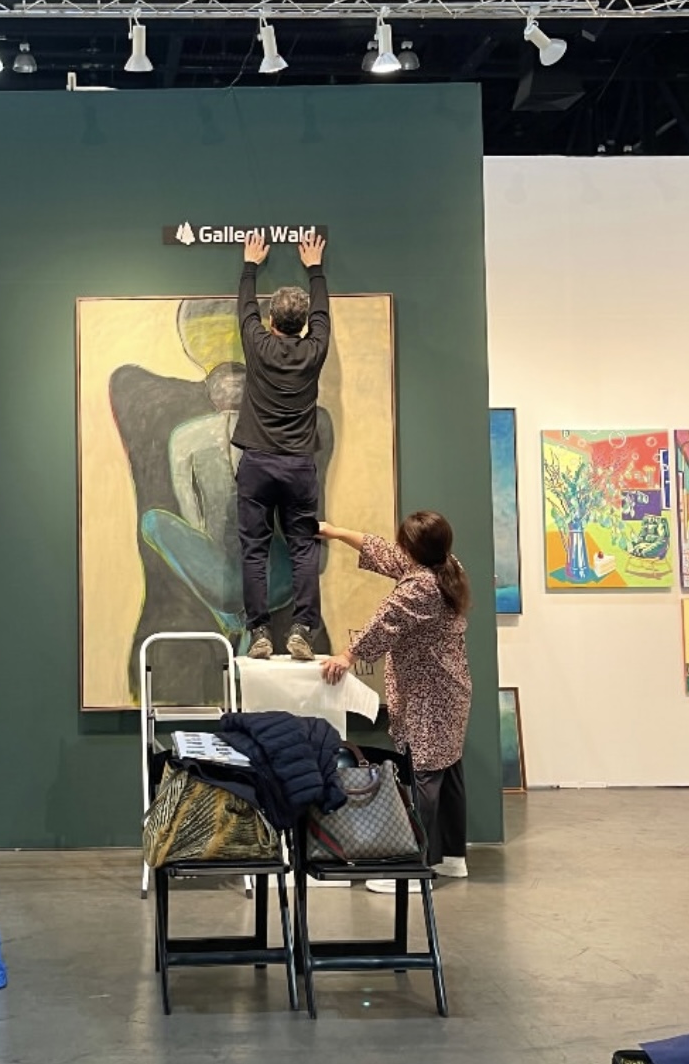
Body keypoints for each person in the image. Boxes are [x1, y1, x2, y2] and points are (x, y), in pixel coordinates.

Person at [320, 511, 472, 885]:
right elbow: (385, 553)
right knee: (447, 770)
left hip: (429, 695)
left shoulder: (421, 588)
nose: (399, 548)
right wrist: (336, 532)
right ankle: (451, 857)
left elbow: (384, 622)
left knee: (424, 777)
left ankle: (412, 867)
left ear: (415, 549)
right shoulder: (446, 566)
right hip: (447, 689)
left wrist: (347, 656)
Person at [233, 227, 330, 662]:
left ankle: (259, 633)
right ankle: (303, 630)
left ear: (271, 322)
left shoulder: (258, 346)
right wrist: (316, 269)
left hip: (257, 464)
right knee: (303, 547)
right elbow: (323, 317)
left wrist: (250, 265)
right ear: (303, 325)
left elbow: (245, 310)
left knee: (254, 550)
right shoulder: (314, 351)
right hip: (298, 467)